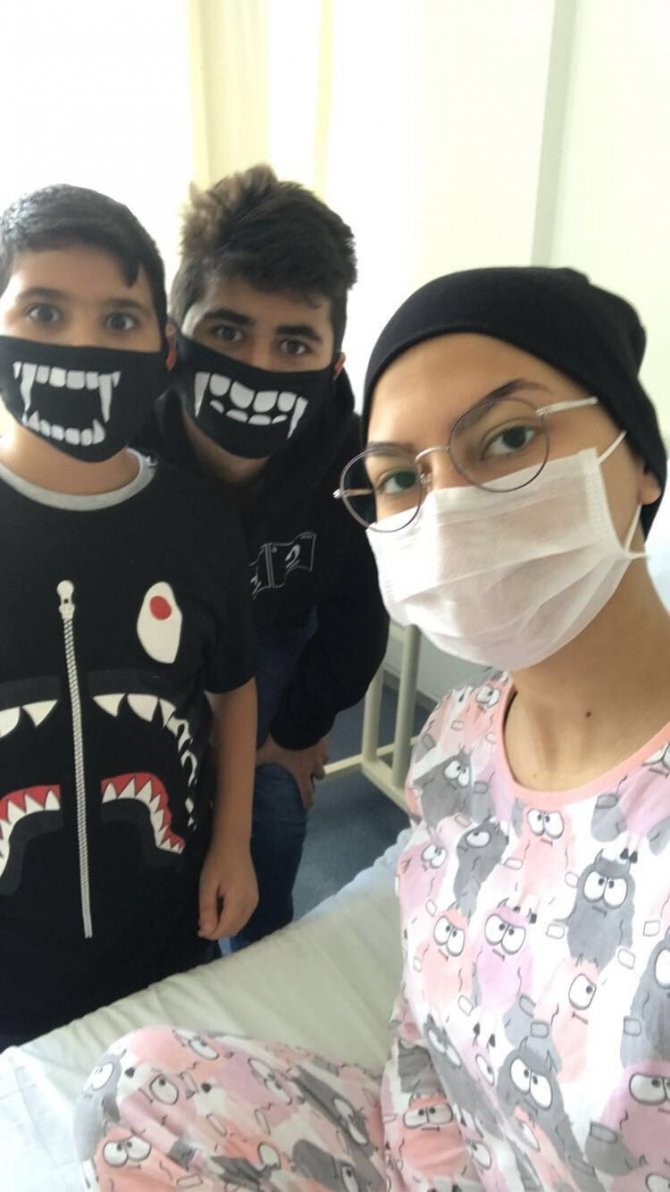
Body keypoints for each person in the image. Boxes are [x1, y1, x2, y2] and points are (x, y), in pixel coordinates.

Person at [77, 266, 670, 1189]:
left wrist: (298, 730)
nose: (450, 507)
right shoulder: (459, 743)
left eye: (509, 439)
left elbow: (348, 630)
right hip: (427, 1149)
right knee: (133, 1084)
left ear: (641, 463)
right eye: (400, 477)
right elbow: (422, 1027)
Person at [0, 184, 259, 1048]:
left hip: (165, 918)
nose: (82, 344)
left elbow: (232, 689)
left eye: (119, 320)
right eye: (44, 311)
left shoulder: (198, 521)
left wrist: (233, 842)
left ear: (162, 345)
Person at [139, 164, 389, 947]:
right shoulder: (123, 445)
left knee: (271, 819)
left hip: (276, 659)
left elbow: (358, 617)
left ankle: (259, 955)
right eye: (227, 331)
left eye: (294, 342)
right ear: (176, 338)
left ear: (333, 362)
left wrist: (301, 730)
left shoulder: (347, 460)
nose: (261, 364)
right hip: (153, 668)